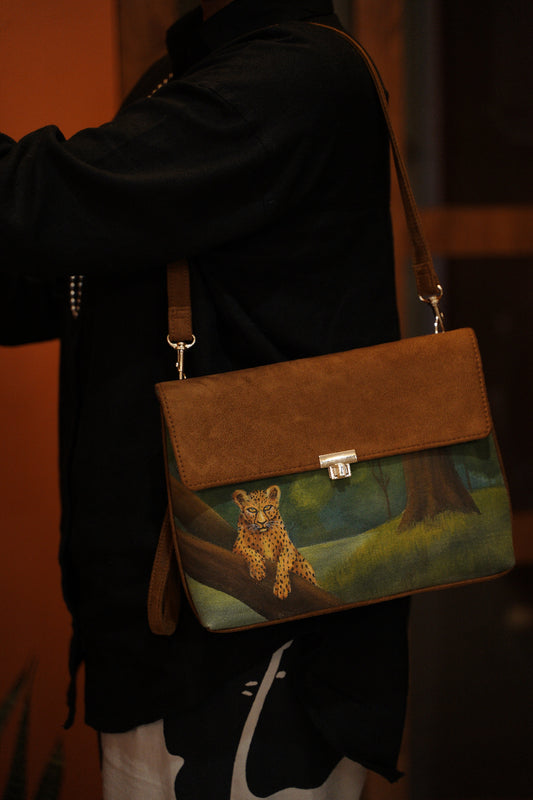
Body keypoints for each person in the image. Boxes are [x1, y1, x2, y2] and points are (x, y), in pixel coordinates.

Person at [0, 0, 410, 796]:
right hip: (178, 598)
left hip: (250, 617)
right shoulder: (193, 73)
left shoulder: (290, 73)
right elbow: (87, 272)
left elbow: (49, 201)